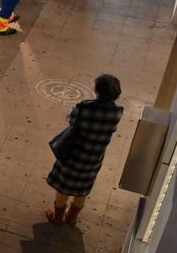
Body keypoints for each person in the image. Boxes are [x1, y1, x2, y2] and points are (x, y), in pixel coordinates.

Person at [46, 74, 124, 226]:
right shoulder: (117, 112)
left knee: (64, 187)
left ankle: (57, 217)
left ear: (97, 91)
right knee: (83, 188)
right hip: (93, 159)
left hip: (73, 155)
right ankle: (72, 217)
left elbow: (71, 118)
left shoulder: (84, 107)